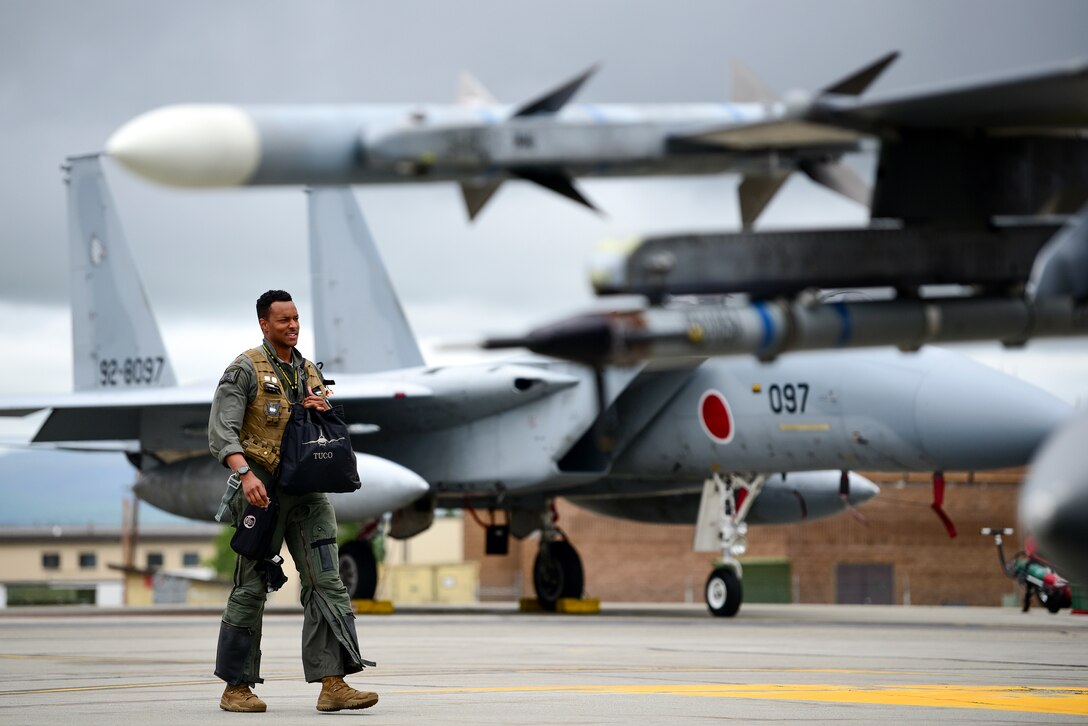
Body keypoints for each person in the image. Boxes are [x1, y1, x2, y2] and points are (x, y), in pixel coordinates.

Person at [208, 289, 378, 713]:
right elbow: (221, 432)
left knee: (327, 581)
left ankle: (333, 683)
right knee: (250, 588)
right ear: (265, 324)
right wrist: (244, 474)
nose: (293, 325)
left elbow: (322, 428)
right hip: (261, 488)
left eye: (296, 318)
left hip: (307, 490)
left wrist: (320, 408)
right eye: (283, 320)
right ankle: (236, 687)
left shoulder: (307, 369)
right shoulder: (244, 369)